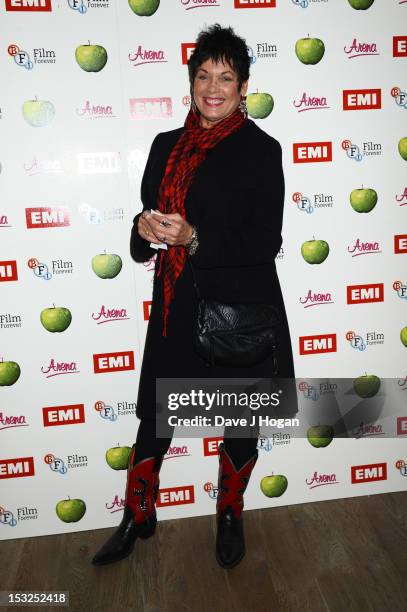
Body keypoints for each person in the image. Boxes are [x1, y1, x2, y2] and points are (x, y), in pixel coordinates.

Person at [92, 23, 296, 570]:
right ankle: (139, 514)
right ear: (191, 82)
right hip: (177, 306)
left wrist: (195, 237)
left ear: (243, 85)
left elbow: (264, 241)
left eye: (225, 76)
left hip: (241, 312)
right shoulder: (165, 147)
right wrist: (144, 232)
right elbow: (145, 241)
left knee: (240, 420)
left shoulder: (261, 150)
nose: (213, 86)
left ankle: (230, 513)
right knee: (155, 416)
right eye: (203, 75)